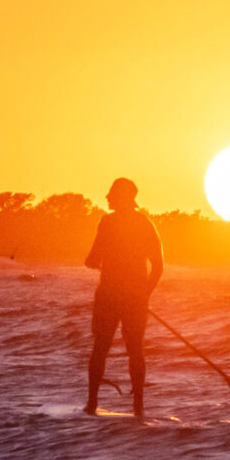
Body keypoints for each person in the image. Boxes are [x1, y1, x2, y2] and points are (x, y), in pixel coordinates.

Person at [84, 177, 164, 417]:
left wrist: (99, 264)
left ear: (122, 197)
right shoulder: (146, 224)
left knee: (100, 348)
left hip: (109, 296)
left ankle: (91, 405)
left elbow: (91, 260)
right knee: (136, 350)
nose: (107, 197)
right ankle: (138, 408)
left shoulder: (107, 223)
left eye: (111, 194)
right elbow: (158, 266)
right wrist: (144, 294)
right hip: (135, 298)